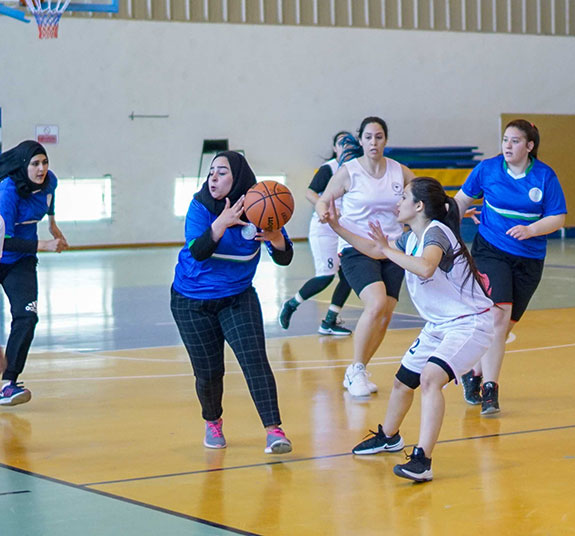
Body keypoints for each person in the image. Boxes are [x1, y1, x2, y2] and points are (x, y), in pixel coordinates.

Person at [330, 177, 493, 482]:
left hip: (470, 322)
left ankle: (423, 460)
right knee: (403, 383)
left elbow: (426, 266)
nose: (398, 202)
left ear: (418, 206)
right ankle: (389, 436)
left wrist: (386, 250)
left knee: (430, 378)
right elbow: (376, 250)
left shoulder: (437, 233)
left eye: (403, 197)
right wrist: (337, 227)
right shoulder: (410, 237)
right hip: (439, 325)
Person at [170, 151, 293, 454]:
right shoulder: (200, 206)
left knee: (254, 360)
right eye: (211, 171)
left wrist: (277, 239)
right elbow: (198, 251)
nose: (213, 176)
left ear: (237, 177)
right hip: (191, 300)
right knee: (209, 372)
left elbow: (285, 256)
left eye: (222, 172)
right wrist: (221, 224)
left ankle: (274, 431)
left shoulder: (259, 206)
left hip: (237, 297)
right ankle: (213, 422)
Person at [453, 119, 567, 414]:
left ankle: (473, 373)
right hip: (491, 250)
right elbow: (461, 200)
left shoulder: (544, 177)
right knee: (498, 317)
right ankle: (491, 390)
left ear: (529, 146)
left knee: (502, 328)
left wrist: (531, 230)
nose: (508, 145)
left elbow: (557, 218)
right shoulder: (488, 170)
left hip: (529, 258)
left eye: (515, 141)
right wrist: (450, 228)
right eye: (505, 139)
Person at [314, 117, 416, 398]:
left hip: (392, 248)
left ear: (386, 140)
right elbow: (324, 198)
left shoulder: (399, 171)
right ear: (360, 140)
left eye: (379, 137)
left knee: (385, 315)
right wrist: (324, 210)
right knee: (376, 303)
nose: (374, 142)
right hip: (356, 248)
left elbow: (424, 197)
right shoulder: (350, 171)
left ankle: (357, 370)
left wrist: (449, 208)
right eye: (369, 137)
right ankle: (357, 369)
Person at [0, 141, 68, 406]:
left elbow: (49, 201)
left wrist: (53, 225)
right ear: (24, 165)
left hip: (22, 261)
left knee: (27, 316)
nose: (41, 169)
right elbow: (5, 241)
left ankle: (9, 383)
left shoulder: (50, 181)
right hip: (4, 250)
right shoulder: (8, 191)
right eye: (35, 164)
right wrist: (45, 244)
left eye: (44, 162)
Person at [279, 131, 354, 336]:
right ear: (335, 148)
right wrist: (324, 208)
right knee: (325, 277)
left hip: (345, 229)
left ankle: (329, 321)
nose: (345, 147)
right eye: (341, 143)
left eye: (349, 143)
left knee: (348, 276)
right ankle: (291, 305)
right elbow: (309, 192)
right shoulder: (329, 168)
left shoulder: (356, 169)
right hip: (324, 229)